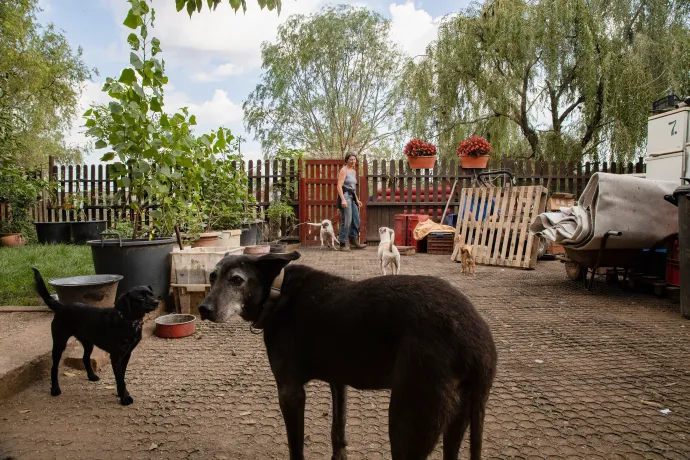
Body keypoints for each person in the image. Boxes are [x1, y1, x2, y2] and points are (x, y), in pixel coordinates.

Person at [336, 152, 366, 251]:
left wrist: (357, 199)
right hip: (345, 197)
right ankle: (342, 243)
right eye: (351, 159)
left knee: (356, 220)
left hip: (352, 197)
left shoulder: (353, 171)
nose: (353, 161)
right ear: (347, 160)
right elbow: (339, 186)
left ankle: (353, 240)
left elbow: (352, 188)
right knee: (347, 221)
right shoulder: (343, 170)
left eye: (354, 159)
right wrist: (343, 200)